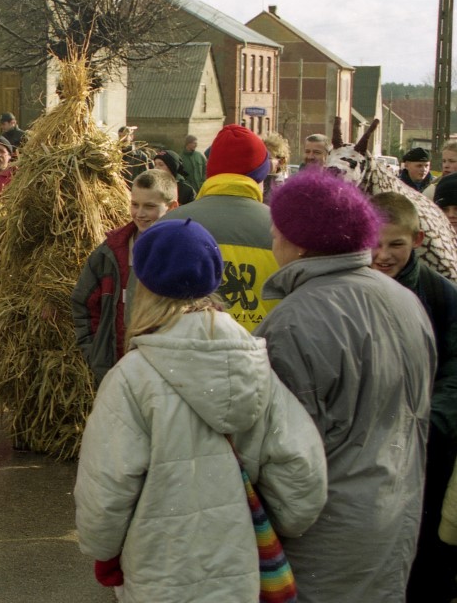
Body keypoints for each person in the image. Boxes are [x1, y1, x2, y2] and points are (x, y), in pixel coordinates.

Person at [74, 218, 327, 602]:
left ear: (143, 283)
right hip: (241, 568)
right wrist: (279, 521)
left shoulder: (131, 379)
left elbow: (106, 489)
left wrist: (102, 550)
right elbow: (302, 475)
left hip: (159, 572)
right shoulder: (255, 366)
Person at [258, 170, 435, 600]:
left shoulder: (293, 321)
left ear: (299, 242)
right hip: (397, 513)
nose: (272, 242)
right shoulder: (404, 300)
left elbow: (284, 455)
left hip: (323, 537)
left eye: (276, 233)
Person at [368, 192, 457, 602]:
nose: (383, 255)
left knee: (423, 560)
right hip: (365, 451)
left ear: (418, 240)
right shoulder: (351, 292)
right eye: (374, 242)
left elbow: (454, 379)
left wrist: (422, 429)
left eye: (395, 244)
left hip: (425, 451)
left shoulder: (443, 297)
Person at [161, 124, 277, 332]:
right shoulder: (282, 230)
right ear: (259, 177)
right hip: (259, 357)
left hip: (183, 357)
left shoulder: (169, 225)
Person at [73, 169, 179, 385]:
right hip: (116, 369)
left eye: (149, 206)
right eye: (135, 204)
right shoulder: (110, 252)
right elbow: (83, 303)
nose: (140, 213)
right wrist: (95, 351)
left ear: (172, 207)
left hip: (163, 374)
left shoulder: (181, 254)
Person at [261, 131, 290, 206]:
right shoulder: (258, 179)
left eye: (268, 158)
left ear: (280, 161)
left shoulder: (285, 185)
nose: (263, 161)